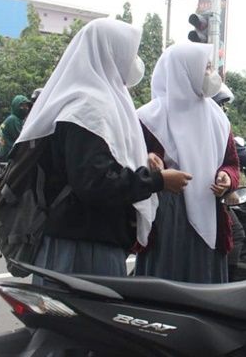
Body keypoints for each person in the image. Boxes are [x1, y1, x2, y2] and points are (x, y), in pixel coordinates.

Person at [13, 18, 192, 281]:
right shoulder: (87, 108)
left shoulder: (95, 101)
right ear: (110, 52)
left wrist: (142, 159)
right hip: (82, 248)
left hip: (87, 239)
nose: (135, 62)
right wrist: (157, 181)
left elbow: (97, 161)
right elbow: (94, 182)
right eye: (131, 53)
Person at [135, 42, 240, 284]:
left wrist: (226, 178)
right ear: (184, 70)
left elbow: (232, 164)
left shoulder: (217, 118)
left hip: (209, 212)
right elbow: (130, 164)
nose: (212, 75)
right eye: (206, 68)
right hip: (166, 217)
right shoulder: (148, 117)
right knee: (166, 284)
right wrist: (149, 163)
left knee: (205, 286)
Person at [0, 95, 32, 159]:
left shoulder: (15, 119)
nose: (26, 108)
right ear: (16, 106)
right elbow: (21, 138)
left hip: (7, 152)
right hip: (10, 154)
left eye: (27, 106)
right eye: (22, 106)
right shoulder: (13, 119)